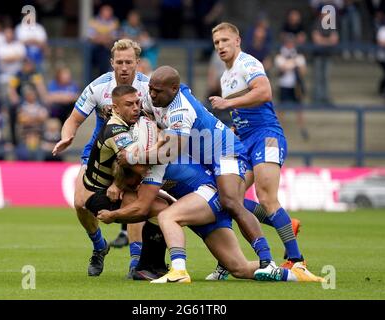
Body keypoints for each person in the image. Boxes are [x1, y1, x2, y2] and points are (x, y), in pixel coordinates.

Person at [118, 65, 281, 279]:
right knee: (223, 207)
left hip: (226, 152)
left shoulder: (181, 110)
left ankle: (267, 259)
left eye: (158, 90)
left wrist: (132, 157)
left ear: (174, 89)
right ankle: (285, 271)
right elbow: (142, 113)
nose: (152, 94)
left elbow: (168, 152)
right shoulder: (155, 98)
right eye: (151, 89)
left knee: (231, 202)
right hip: (204, 162)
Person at [98, 137, 324, 283]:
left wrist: (112, 215)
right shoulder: (147, 165)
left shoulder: (153, 163)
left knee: (169, 216)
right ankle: (294, 274)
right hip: (202, 204)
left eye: (133, 181)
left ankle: (178, 271)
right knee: (239, 268)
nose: (136, 185)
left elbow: (142, 208)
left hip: (210, 194)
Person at [209, 22, 307, 275]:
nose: (220, 46)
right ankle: (283, 223)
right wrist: (232, 129)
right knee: (231, 200)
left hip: (266, 136)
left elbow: (264, 92)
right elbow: (241, 110)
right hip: (245, 140)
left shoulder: (248, 63)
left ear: (238, 41)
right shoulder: (225, 76)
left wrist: (226, 103)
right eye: (216, 42)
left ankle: (296, 260)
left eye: (225, 40)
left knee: (266, 197)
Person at [52, 39, 151, 277]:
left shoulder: (148, 88)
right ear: (112, 63)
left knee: (134, 204)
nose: (124, 67)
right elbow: (73, 120)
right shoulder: (98, 87)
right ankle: (99, 246)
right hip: (99, 154)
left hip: (133, 154)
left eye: (129, 62)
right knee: (79, 203)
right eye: (119, 62)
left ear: (137, 62)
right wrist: (67, 137)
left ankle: (136, 261)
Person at [80, 84, 168, 280]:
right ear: (116, 108)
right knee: (160, 210)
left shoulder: (130, 122)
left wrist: (119, 183)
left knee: (165, 207)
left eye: (137, 103)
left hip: (115, 188)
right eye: (129, 105)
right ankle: (143, 267)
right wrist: (164, 143)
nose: (136, 108)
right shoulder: (115, 130)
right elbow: (140, 167)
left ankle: (155, 266)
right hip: (100, 195)